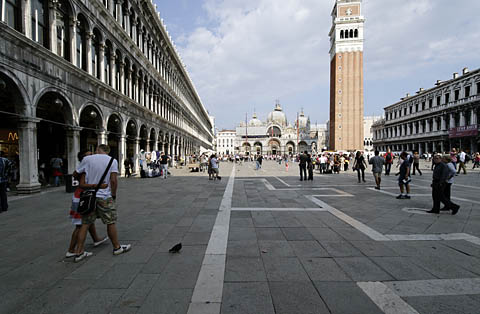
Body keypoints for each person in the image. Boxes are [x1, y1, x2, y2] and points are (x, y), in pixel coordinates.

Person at [74, 144, 131, 262]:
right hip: (104, 196)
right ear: (107, 151)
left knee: (85, 224)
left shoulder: (87, 159)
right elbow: (114, 180)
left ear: (97, 149)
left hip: (89, 196)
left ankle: (79, 252)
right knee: (110, 222)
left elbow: (75, 174)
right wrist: (113, 195)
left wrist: (86, 184)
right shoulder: (112, 160)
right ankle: (117, 247)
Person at [66, 151, 108, 258]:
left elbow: (76, 177)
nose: (93, 156)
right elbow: (82, 183)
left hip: (82, 195)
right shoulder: (84, 168)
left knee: (88, 220)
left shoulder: (84, 167)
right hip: (82, 198)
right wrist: (98, 185)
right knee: (80, 225)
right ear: (85, 158)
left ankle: (96, 239)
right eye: (90, 155)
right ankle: (71, 250)